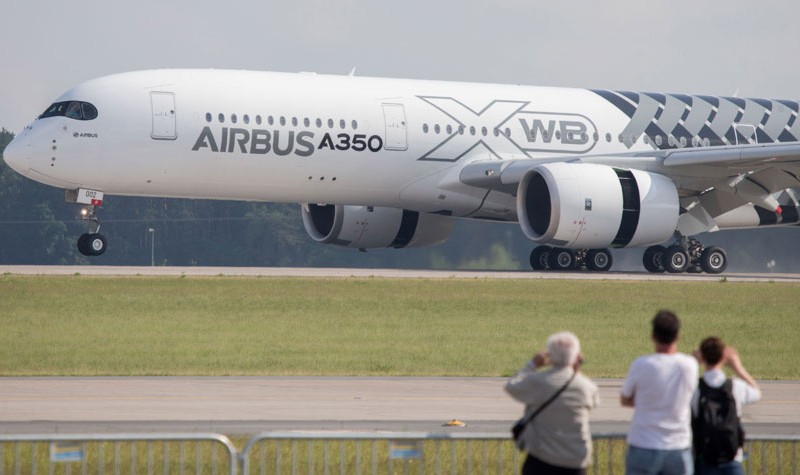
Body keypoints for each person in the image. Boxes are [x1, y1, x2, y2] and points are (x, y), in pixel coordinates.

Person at [505, 331, 600, 475]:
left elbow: (512, 386)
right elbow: (594, 403)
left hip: (542, 459)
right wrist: (576, 368)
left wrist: (532, 365)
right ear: (577, 356)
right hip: (575, 461)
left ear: (549, 354)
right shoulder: (587, 387)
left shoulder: (539, 381)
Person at [621, 310, 699, 475]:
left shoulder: (641, 365)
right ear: (678, 335)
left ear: (653, 336)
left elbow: (625, 398)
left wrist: (646, 400)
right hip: (678, 446)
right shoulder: (689, 365)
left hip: (644, 443)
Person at [691, 337, 761, 475]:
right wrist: (737, 367)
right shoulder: (735, 386)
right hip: (732, 459)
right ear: (724, 357)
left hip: (705, 458)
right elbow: (757, 393)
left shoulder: (696, 389)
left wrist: (692, 363)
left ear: (703, 358)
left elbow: (677, 392)